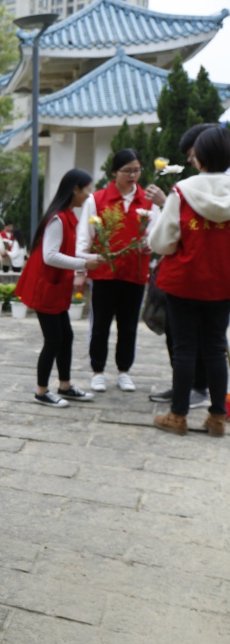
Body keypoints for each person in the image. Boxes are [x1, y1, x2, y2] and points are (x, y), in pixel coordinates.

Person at [148, 127, 230, 436]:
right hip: (223, 282)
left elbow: (162, 241)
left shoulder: (182, 190)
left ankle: (178, 416)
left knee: (184, 348)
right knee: (215, 347)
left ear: (199, 157)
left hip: (184, 282)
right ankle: (217, 418)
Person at [74, 149, 164, 393]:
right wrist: (80, 270)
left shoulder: (147, 201)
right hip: (104, 273)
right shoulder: (97, 200)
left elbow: (157, 233)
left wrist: (150, 244)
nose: (133, 175)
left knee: (129, 326)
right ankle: (97, 371)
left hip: (135, 272)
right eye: (127, 171)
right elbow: (84, 237)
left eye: (137, 170)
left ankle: (124, 371)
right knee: (100, 324)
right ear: (114, 172)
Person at [16, 169, 102, 407]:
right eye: (87, 190)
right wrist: (84, 263)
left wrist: (92, 257)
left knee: (66, 337)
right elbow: (50, 256)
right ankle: (42, 391)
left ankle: (65, 386)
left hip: (55, 287)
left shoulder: (67, 216)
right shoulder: (58, 218)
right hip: (46, 287)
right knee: (53, 340)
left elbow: (67, 251)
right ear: (75, 189)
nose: (89, 195)